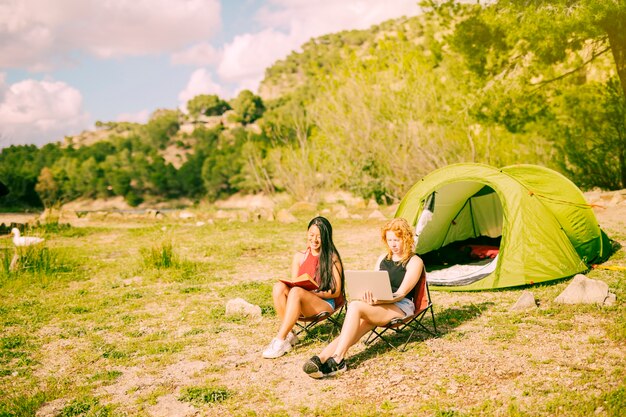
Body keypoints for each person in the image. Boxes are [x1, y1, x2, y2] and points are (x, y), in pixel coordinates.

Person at [302, 217, 423, 377]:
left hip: (401, 307)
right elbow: (374, 284)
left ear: (406, 238)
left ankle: (338, 360)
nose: (393, 244)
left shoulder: (414, 261)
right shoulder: (382, 259)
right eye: (390, 240)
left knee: (355, 306)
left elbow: (400, 293)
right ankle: (322, 358)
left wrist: (380, 300)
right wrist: (369, 295)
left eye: (397, 240)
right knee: (355, 323)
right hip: (380, 305)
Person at [262, 216, 344, 359]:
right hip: (301, 300)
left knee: (296, 292)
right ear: (307, 233)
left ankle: (279, 340)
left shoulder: (332, 258)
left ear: (326, 237)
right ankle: (290, 335)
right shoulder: (299, 256)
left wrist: (316, 294)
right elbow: (295, 283)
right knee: (278, 287)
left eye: (319, 236)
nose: (314, 240)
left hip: (324, 303)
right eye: (311, 235)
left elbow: (336, 292)